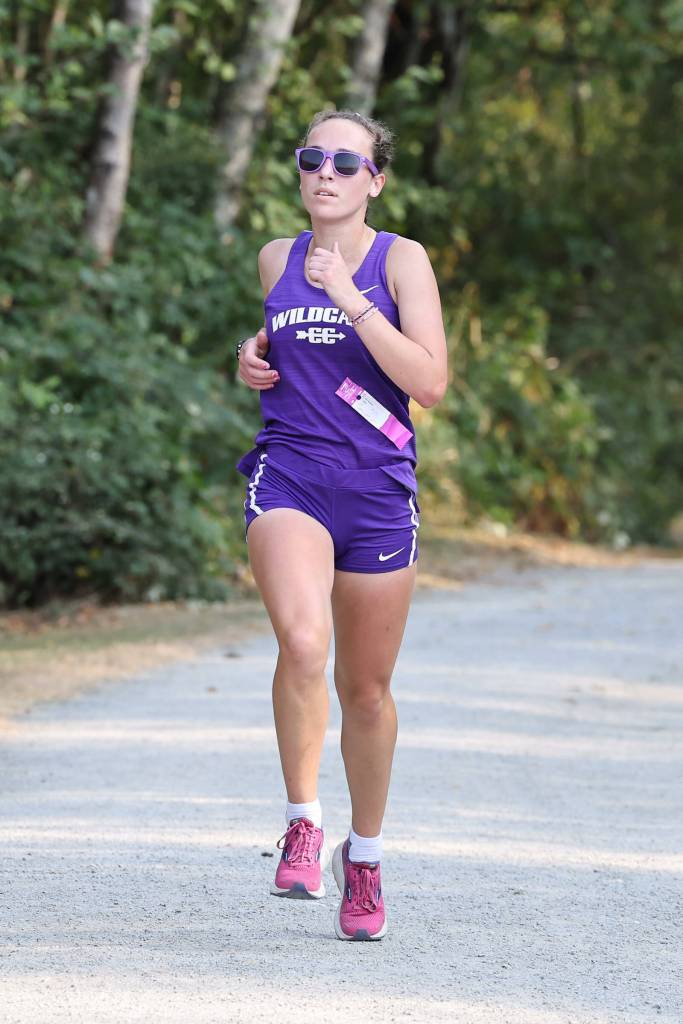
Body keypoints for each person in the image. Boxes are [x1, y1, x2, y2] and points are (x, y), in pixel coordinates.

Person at [235, 108, 447, 941]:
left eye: (344, 162)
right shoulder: (274, 257)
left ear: (375, 180)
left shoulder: (403, 261)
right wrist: (250, 357)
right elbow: (283, 353)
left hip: (377, 490)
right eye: (311, 157)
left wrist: (351, 297)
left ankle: (362, 860)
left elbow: (427, 382)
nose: (324, 172)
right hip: (290, 474)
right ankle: (301, 819)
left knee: (365, 690)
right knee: (302, 642)